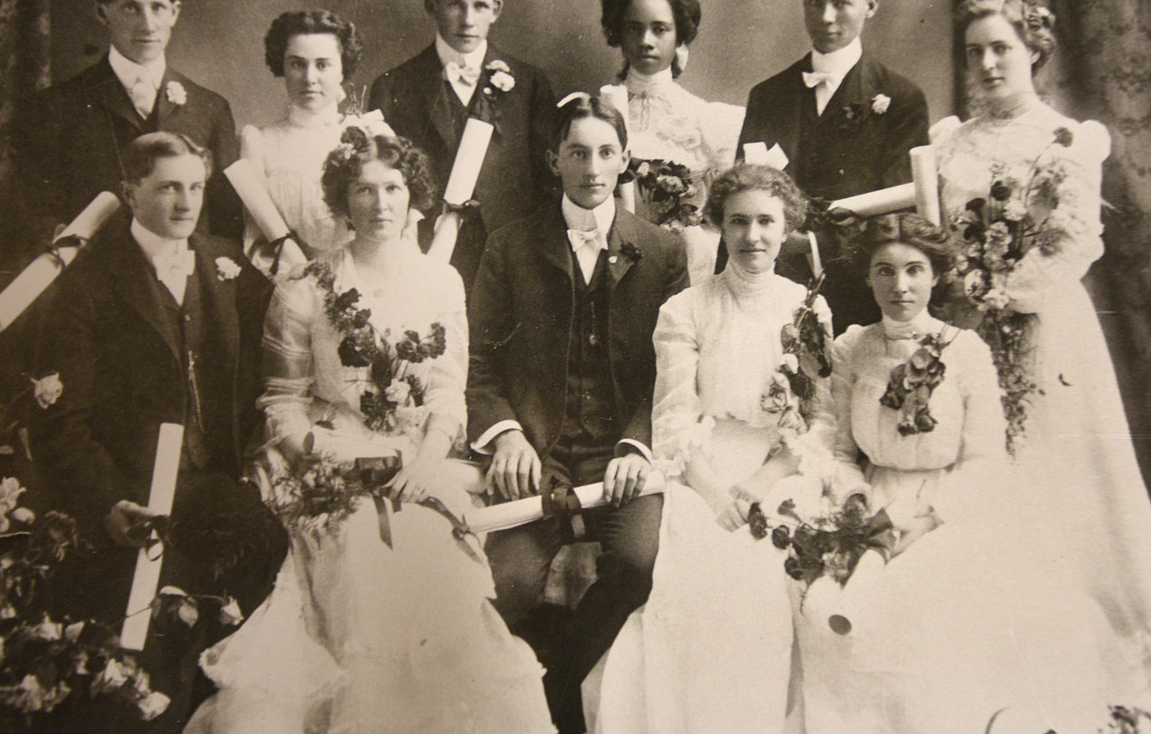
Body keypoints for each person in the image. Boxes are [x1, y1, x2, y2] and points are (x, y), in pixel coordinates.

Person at [188, 131, 553, 734]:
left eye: (393, 188)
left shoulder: (442, 282)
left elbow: (446, 392)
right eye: (364, 189)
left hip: (420, 465)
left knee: (435, 572)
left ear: (414, 199)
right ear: (342, 200)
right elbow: (282, 405)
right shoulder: (305, 284)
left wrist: (425, 461)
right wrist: (351, 462)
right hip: (328, 464)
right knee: (364, 555)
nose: (380, 203)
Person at [794, 214, 1151, 732]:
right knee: (833, 606)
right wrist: (855, 503)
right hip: (875, 498)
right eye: (885, 271)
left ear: (935, 277)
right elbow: (844, 452)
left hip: (950, 507)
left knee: (929, 599)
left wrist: (922, 524)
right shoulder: (852, 349)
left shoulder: (966, 351)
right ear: (868, 278)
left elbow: (985, 460)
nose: (901, 286)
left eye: (914, 270)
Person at [34, 131, 287, 732]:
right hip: (133, 488)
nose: (185, 202)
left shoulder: (222, 261)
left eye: (195, 187)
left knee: (268, 547)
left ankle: (210, 708)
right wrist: (105, 502)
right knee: (147, 621)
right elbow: (61, 425)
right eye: (167, 186)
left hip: (210, 477)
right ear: (130, 192)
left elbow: (281, 343)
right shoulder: (88, 284)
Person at [928, 0, 1151, 673]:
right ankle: (988, 631)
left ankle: (1064, 640)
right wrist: (964, 291)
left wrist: (1002, 296)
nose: (989, 62)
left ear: (1033, 52)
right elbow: (942, 235)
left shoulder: (1066, 137)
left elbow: (1074, 243)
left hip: (1045, 324)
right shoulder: (950, 139)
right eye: (976, 52)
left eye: (1002, 48)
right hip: (965, 324)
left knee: (1052, 468)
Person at [468, 94, 688, 733]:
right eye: (577, 152)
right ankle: (535, 677)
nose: (592, 167)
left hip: (620, 455)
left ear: (624, 161)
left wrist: (636, 443)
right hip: (537, 456)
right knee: (503, 582)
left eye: (605, 152)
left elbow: (672, 372)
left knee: (643, 563)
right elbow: (478, 362)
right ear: (554, 160)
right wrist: (506, 435)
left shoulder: (663, 250)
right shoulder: (511, 246)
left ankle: (557, 681)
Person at [594, 163, 836, 734]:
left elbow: (820, 419)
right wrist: (713, 491)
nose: (754, 236)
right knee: (708, 581)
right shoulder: (686, 309)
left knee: (769, 587)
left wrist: (764, 480)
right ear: (718, 228)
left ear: (787, 228)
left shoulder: (808, 307)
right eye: (739, 222)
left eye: (767, 222)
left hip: (782, 469)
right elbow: (673, 417)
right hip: (701, 470)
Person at [732, 0, 929, 333]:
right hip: (769, 292)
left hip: (859, 298)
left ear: (870, 5)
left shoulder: (902, 99)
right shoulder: (767, 96)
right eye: (814, 2)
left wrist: (815, 245)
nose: (825, 17)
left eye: (841, 3)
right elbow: (741, 197)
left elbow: (899, 219)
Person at [14, 0, 242, 243]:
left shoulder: (210, 108)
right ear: (102, 12)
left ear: (174, 13)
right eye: (131, 8)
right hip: (95, 281)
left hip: (185, 284)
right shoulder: (56, 107)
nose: (147, 25)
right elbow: (34, 214)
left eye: (157, 8)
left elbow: (226, 224)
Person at [368, 0, 557, 296]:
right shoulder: (393, 85)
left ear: (496, 9)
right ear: (431, 5)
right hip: (424, 256)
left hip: (511, 260)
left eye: (479, 6)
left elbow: (549, 183)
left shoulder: (531, 84)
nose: (468, 20)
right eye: (455, 5)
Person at [599, 0, 743, 284]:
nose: (646, 40)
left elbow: (724, 215)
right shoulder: (598, 113)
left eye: (660, 29)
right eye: (634, 28)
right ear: (619, 34)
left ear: (679, 37)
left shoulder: (705, 119)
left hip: (684, 265)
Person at [239, 9, 398, 276]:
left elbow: (401, 232)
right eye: (297, 64)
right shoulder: (260, 142)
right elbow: (257, 244)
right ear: (283, 67)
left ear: (342, 69)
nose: (309, 78)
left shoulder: (373, 133)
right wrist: (302, 287)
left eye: (322, 65)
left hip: (370, 284)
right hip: (290, 285)